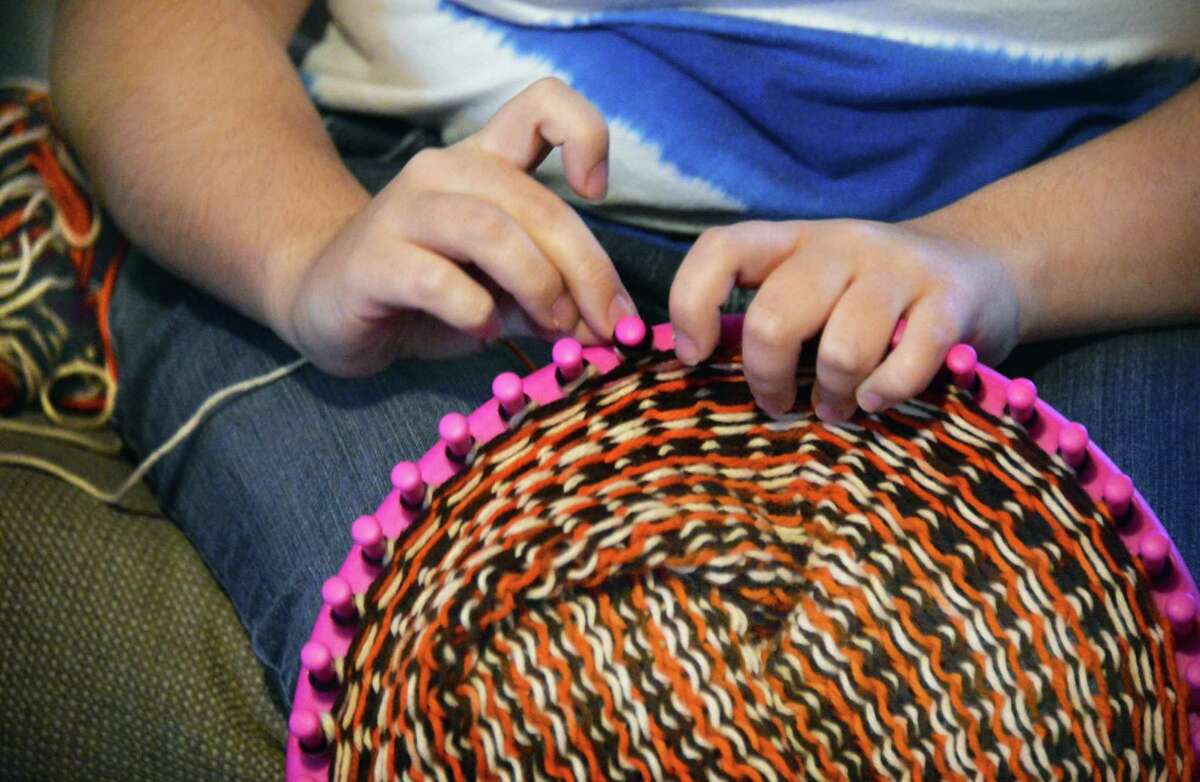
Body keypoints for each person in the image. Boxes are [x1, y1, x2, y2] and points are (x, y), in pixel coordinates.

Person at [49, 0, 1200, 708]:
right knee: (524, 673)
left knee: (1036, 668)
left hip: (1075, 241)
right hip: (428, 213)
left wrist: (999, 257)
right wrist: (306, 252)